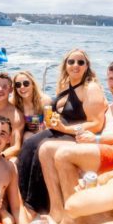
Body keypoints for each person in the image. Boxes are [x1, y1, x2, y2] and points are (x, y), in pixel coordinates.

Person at [44, 60, 113, 221]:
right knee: (46, 149)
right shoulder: (108, 107)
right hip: (104, 150)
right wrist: (65, 128)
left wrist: (96, 139)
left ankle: (74, 217)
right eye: (110, 79)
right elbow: (93, 124)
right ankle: (57, 209)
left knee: (64, 154)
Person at [17, 48, 105, 215]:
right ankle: (23, 199)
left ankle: (35, 206)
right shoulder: (65, 85)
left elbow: (96, 123)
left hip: (74, 134)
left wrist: (65, 128)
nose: (75, 65)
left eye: (81, 62)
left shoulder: (90, 88)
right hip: (59, 130)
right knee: (29, 143)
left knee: (41, 146)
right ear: (65, 65)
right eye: (71, 61)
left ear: (87, 66)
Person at [11, 71, 52, 140]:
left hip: (42, 134)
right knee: (27, 135)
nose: (22, 87)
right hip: (22, 135)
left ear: (33, 84)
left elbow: (49, 124)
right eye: (18, 85)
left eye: (26, 83)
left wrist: (41, 128)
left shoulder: (45, 101)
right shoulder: (13, 103)